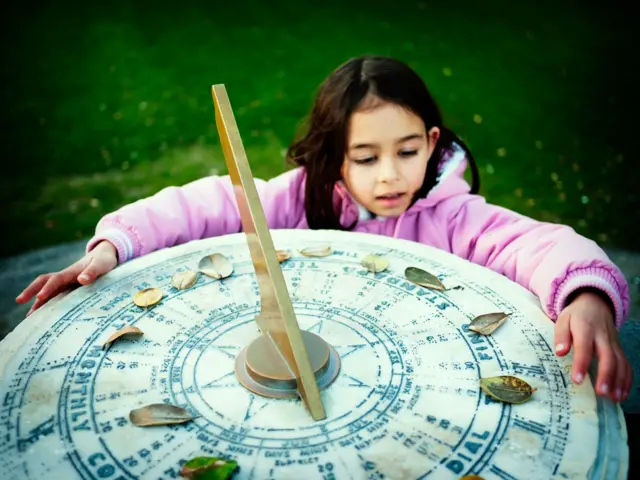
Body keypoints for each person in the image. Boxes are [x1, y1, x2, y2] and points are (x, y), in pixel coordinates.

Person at [16, 55, 631, 403]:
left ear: (432, 144)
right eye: (365, 157)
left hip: (422, 396)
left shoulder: (453, 214)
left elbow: (540, 243)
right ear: (334, 156)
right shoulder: (294, 203)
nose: (390, 176)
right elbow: (196, 206)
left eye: (408, 151)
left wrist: (585, 296)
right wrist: (110, 246)